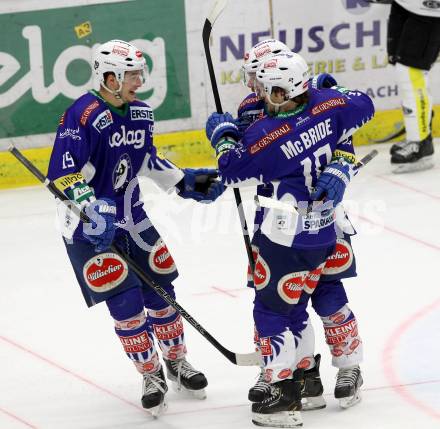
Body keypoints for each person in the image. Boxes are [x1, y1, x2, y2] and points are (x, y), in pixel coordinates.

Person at [46, 39, 224, 417]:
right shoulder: (83, 114)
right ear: (107, 76)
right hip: (86, 228)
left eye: (139, 73)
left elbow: (147, 160)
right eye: (131, 75)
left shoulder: (141, 114)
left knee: (162, 294)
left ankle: (177, 362)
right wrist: (90, 206)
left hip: (133, 218)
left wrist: (187, 182)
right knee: (126, 305)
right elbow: (61, 173)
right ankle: (151, 373)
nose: (138, 81)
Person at [206, 52, 374, 427]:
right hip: (301, 222)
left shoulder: (276, 121)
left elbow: (236, 166)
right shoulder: (317, 101)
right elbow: (356, 111)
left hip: (298, 226)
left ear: (282, 86)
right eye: (252, 78)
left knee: (310, 299)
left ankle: (312, 377)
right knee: (291, 303)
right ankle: (305, 380)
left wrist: (222, 138)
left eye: (260, 80)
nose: (254, 87)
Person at [367, 0, 439, 173]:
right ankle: (421, 134)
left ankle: (420, 141)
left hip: (428, 9)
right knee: (402, 66)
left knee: (411, 71)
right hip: (404, 4)